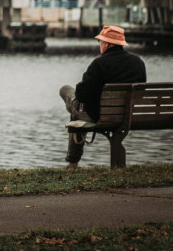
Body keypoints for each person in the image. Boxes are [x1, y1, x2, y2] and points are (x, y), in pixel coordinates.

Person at [59, 25, 146, 168]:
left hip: (99, 116)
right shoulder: (138, 62)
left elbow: (81, 95)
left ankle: (73, 162)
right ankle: (74, 161)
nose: (100, 44)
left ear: (107, 44)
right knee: (77, 106)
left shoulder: (99, 63)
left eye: (101, 41)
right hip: (128, 115)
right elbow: (141, 93)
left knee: (67, 92)